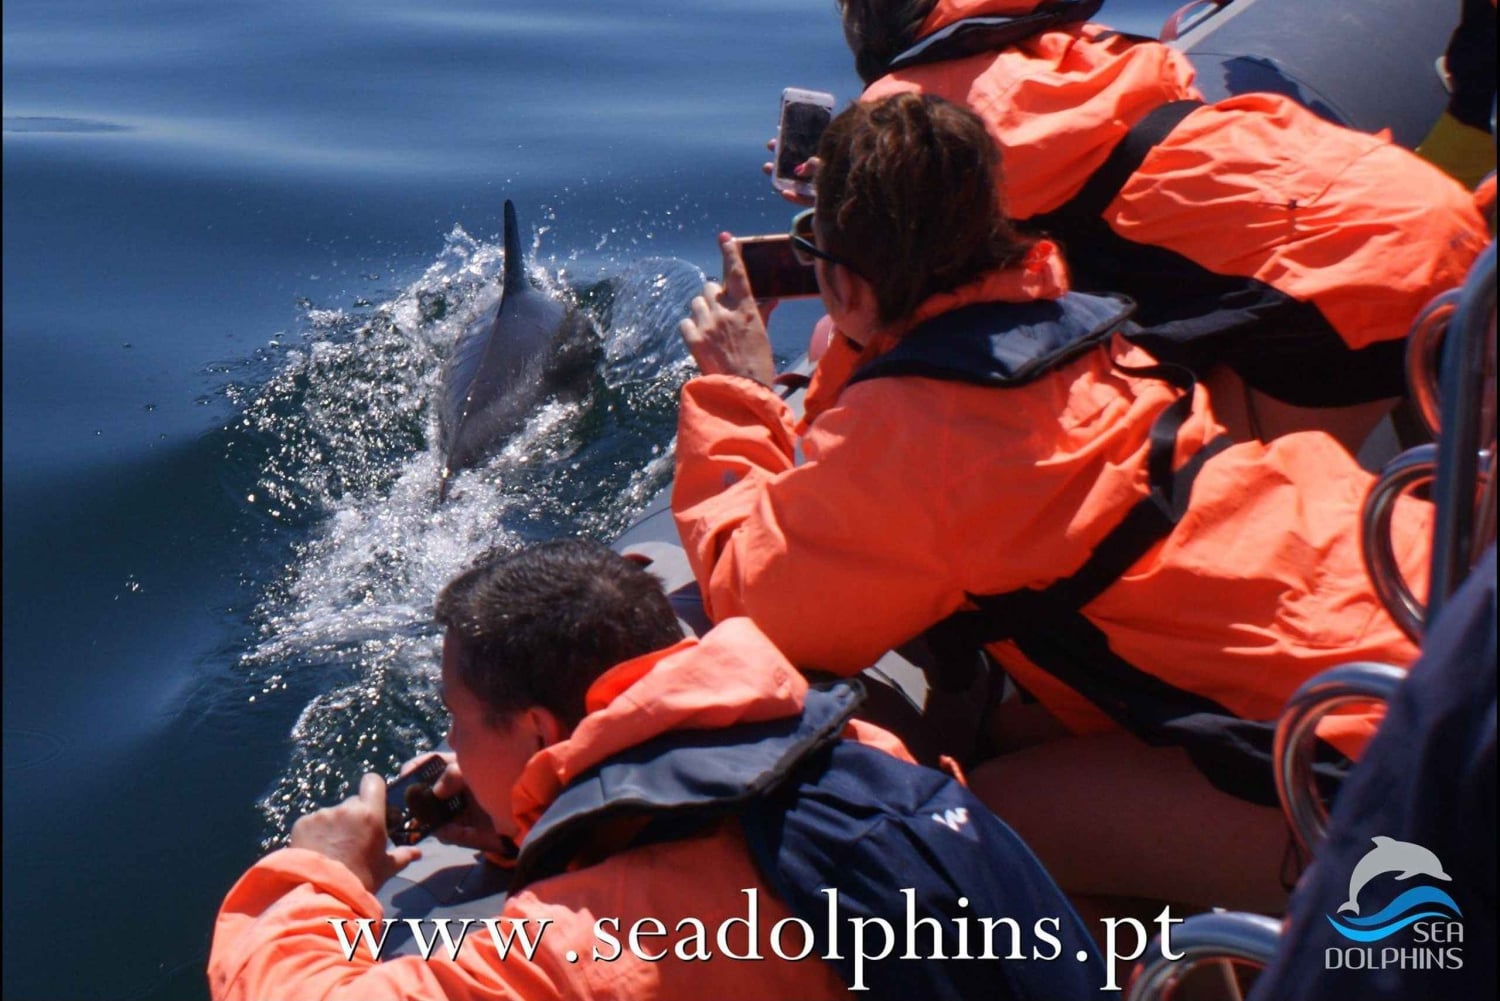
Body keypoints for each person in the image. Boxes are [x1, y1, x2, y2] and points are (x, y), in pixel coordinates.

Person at [673, 93, 1431, 915]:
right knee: (1016, 735)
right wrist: (863, 304)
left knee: (976, 833)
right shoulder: (1063, 314)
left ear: (846, 281)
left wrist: (739, 392)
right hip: (1413, 617)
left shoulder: (923, 445)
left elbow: (752, 597)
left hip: (1366, 762)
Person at [209, 539, 1103, 1000]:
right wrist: (534, 823)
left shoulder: (595, 945)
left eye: (456, 716)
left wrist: (318, 874)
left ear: (537, 727)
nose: (446, 738)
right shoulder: (857, 749)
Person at [830, 0, 1489, 452]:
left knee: (1162, 479)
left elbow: (886, 312)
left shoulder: (911, 116)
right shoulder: (1079, 47)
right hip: (1422, 215)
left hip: (1357, 275)